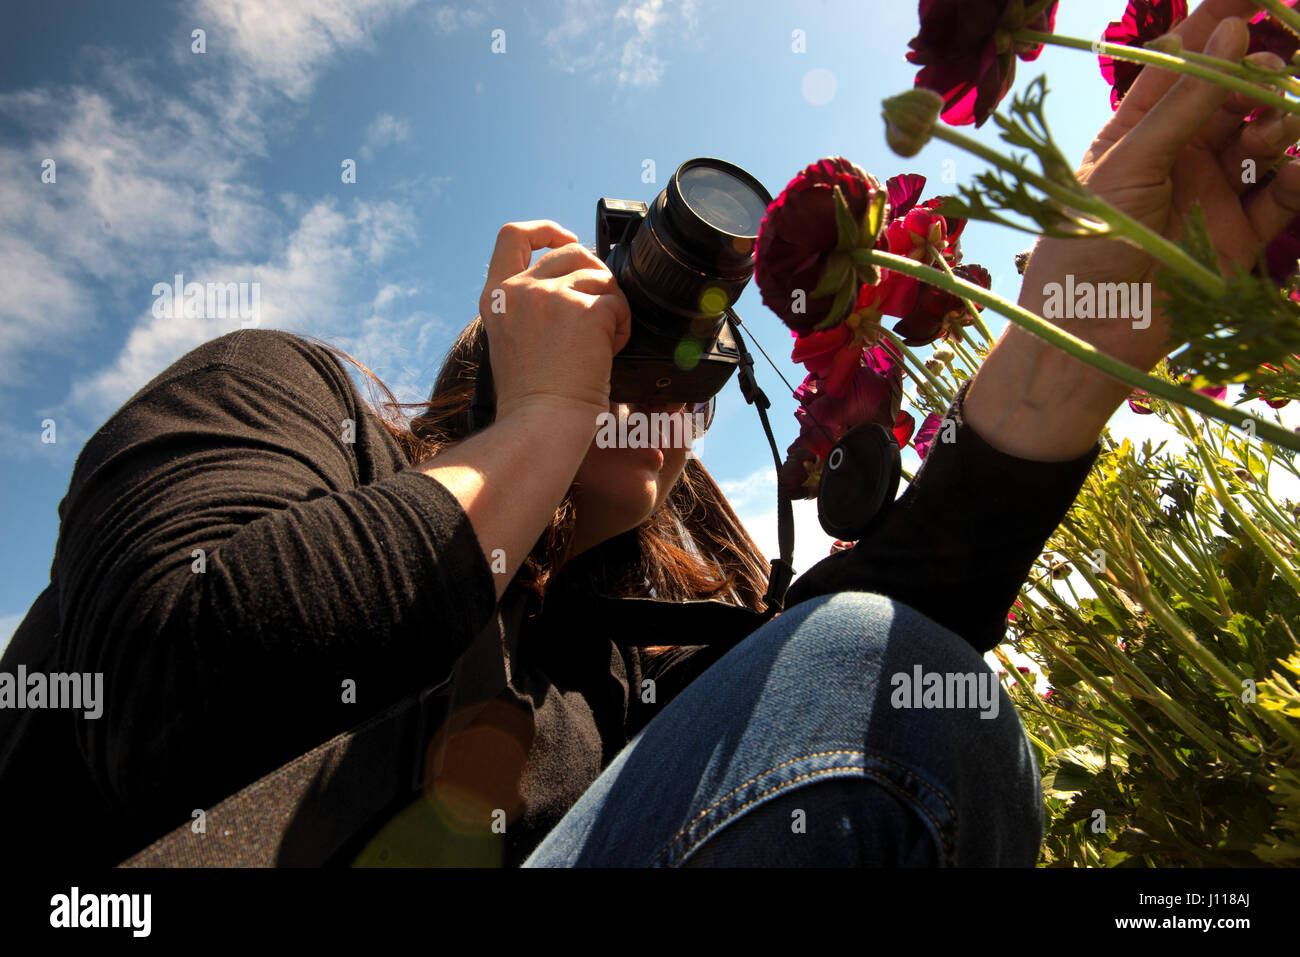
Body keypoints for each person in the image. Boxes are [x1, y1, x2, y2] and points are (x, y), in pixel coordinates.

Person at [2, 2, 1297, 868]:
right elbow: (156, 694)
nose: (664, 372)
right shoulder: (281, 398)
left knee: (877, 665)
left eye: (694, 365)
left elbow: (877, 664)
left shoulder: (609, 690)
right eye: (629, 326)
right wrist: (544, 426)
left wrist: (1091, 313)